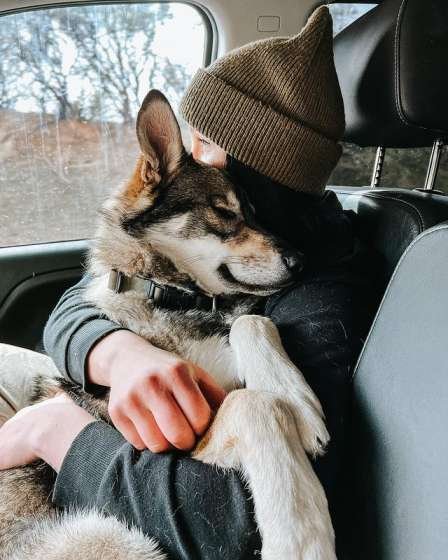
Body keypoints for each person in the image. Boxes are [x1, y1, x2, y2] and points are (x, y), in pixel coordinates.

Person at [0, 7, 379, 558]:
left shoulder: (315, 291)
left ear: (248, 163)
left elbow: (225, 526)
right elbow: (83, 301)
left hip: (100, 504)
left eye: (203, 141)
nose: (189, 154)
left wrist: (53, 432)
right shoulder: (221, 248)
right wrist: (114, 353)